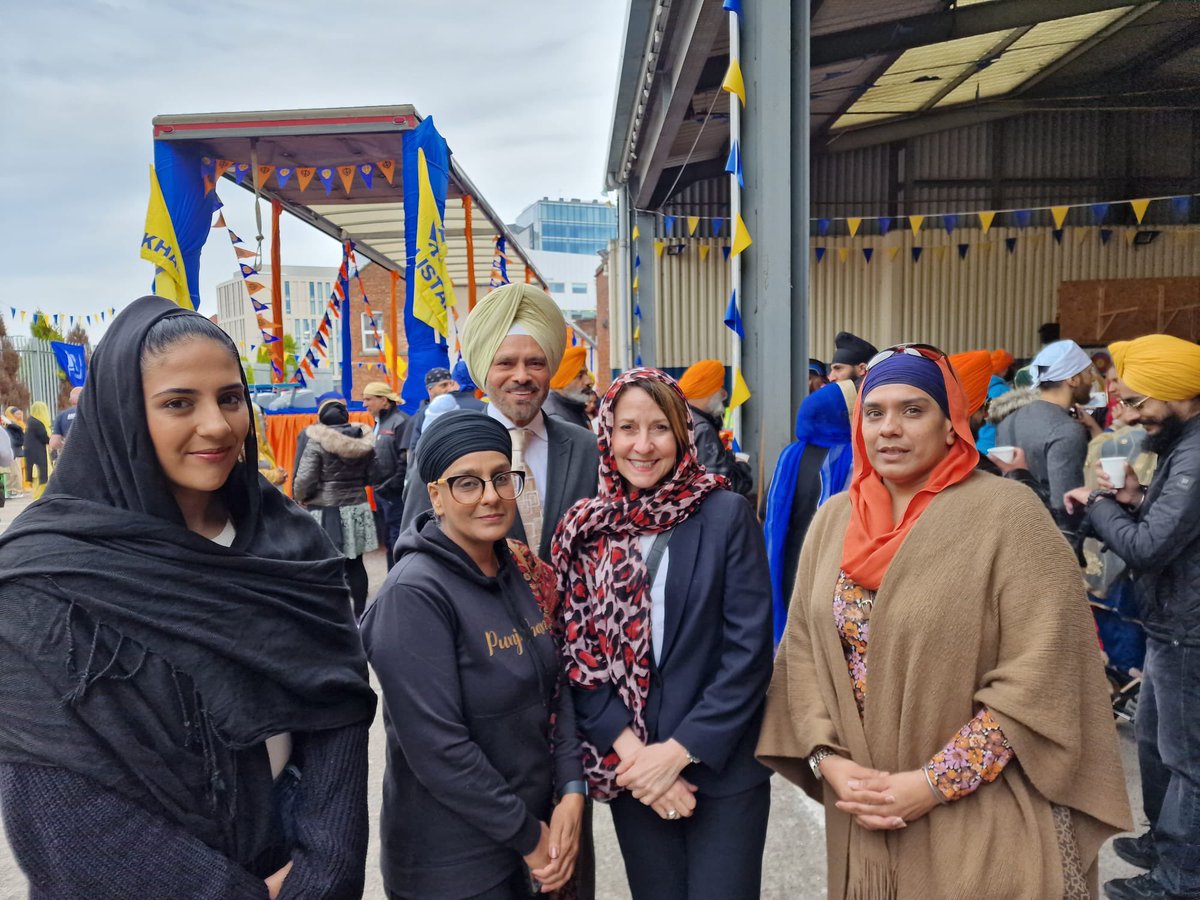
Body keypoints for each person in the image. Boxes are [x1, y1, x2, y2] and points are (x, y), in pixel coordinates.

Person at [0, 295, 376, 899]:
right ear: (124, 414)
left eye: (230, 398)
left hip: (292, 866)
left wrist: (322, 875)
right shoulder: (41, 581)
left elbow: (336, 708)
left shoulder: (291, 543)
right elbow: (60, 818)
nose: (218, 425)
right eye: (178, 403)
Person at [758, 343, 1130, 899]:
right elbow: (804, 654)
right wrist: (828, 760)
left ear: (951, 421)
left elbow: (1042, 676)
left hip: (980, 818)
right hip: (863, 815)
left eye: (913, 410)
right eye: (875, 412)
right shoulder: (835, 519)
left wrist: (932, 784)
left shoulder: (1007, 516)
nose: (890, 429)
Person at [553, 368, 774, 900]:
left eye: (659, 428)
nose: (643, 445)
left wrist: (675, 754)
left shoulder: (724, 513)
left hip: (721, 771)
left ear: (683, 433)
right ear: (608, 434)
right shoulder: (587, 527)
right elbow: (579, 661)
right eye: (628, 428)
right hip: (633, 775)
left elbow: (747, 654)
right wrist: (638, 760)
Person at [362, 410, 584, 899]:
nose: (489, 496)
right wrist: (531, 837)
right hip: (452, 866)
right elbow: (437, 747)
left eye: (501, 478)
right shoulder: (413, 595)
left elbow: (557, 688)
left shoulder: (516, 569)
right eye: (467, 483)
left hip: (526, 841)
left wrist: (571, 791)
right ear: (436, 495)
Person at [1064, 334, 1200, 900]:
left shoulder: (1196, 451)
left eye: (1141, 403)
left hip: (1189, 629)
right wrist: (1135, 499)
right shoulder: (1182, 444)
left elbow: (1148, 548)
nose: (1133, 416)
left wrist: (1098, 508)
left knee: (1187, 758)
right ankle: (1164, 841)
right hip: (1170, 622)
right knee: (1154, 741)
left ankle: (1183, 878)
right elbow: (1170, 525)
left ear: (1177, 394)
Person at [401, 283, 599, 563]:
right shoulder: (447, 446)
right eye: (505, 363)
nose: (521, 376)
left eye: (535, 363)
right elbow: (415, 548)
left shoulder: (588, 449)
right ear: (484, 369)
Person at [762, 379, 856, 644]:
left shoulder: (790, 456)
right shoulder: (854, 458)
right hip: (831, 565)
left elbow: (763, 508)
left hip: (789, 559)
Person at [292, 394, 379, 618]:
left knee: (329, 563)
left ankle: (335, 614)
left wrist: (301, 496)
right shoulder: (365, 440)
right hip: (357, 506)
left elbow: (305, 478)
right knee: (356, 563)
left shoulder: (317, 440)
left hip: (326, 508)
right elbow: (374, 475)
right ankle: (360, 614)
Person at [995, 338, 1097, 522]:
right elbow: (1067, 510)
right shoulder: (1066, 430)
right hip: (1049, 541)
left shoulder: (1008, 421)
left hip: (1013, 529)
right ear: (1073, 379)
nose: (1092, 380)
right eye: (1089, 373)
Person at [677, 359, 753, 498]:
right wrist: (742, 465)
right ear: (707, 390)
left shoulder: (681, 420)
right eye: (721, 387)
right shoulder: (703, 429)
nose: (724, 394)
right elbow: (727, 486)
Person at [362, 381, 408, 568]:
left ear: (384, 400)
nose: (365, 404)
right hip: (381, 492)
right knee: (389, 540)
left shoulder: (401, 422)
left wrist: (390, 486)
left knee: (397, 539)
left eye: (368, 399)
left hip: (394, 494)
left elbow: (405, 460)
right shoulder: (379, 423)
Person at [543, 345, 592, 431]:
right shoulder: (555, 419)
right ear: (563, 380)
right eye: (580, 375)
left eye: (586, 374)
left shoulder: (573, 407)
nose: (589, 381)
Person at [24, 401, 52, 500]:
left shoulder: (30, 422)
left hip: (33, 457)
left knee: (38, 482)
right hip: (38, 457)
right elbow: (45, 438)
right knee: (41, 482)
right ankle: (38, 500)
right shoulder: (37, 423)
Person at [49, 385, 82, 454]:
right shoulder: (92, 413)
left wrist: (66, 446)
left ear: (70, 400)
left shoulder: (62, 415)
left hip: (70, 457)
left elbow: (53, 443)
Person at [4, 407, 26, 494]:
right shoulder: (8, 424)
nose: (20, 416)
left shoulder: (13, 425)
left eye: (20, 413)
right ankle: (11, 489)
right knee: (11, 472)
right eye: (17, 414)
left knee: (15, 471)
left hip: (15, 451)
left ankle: (16, 490)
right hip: (12, 451)